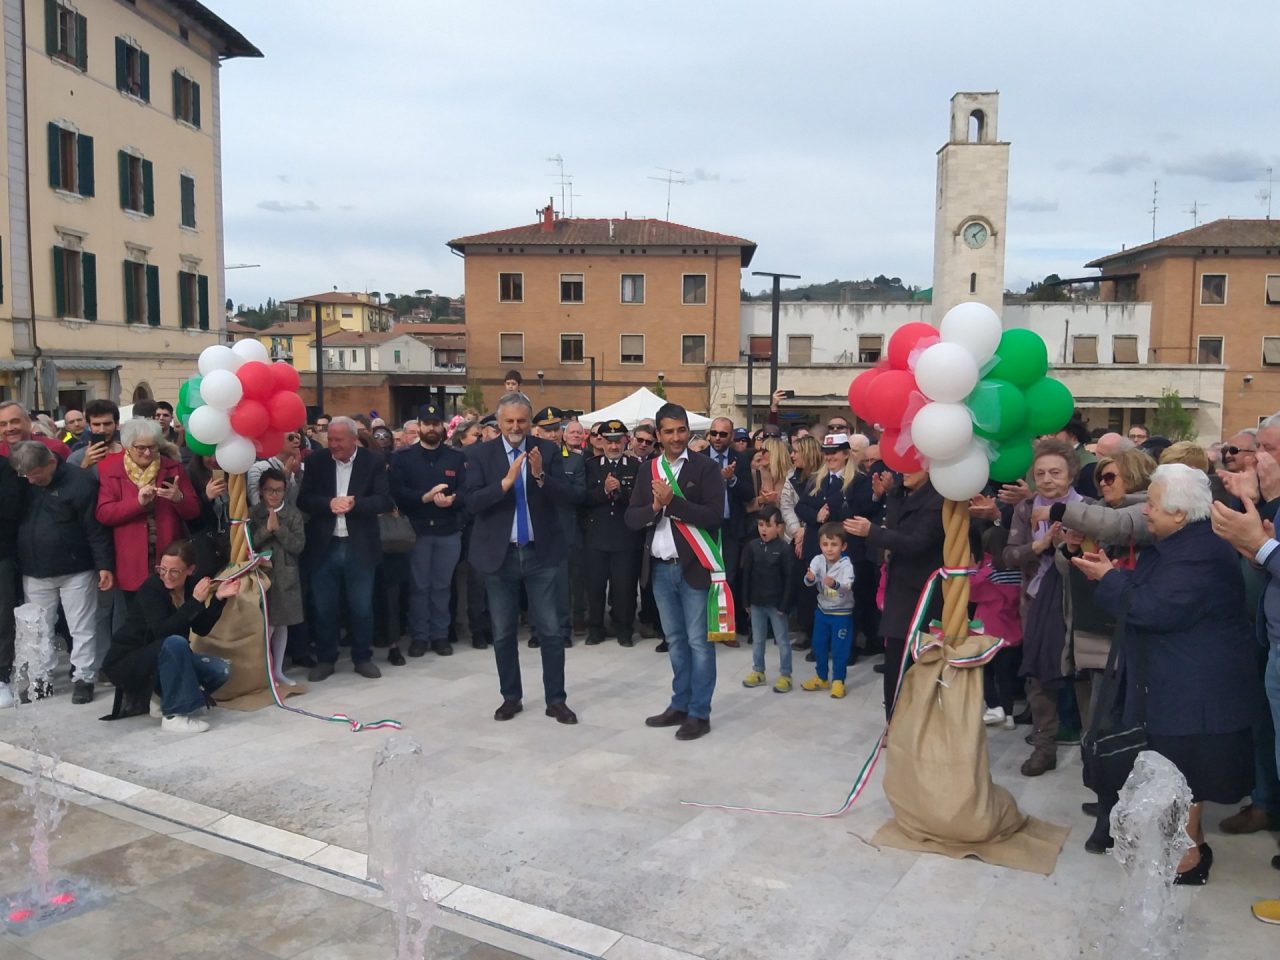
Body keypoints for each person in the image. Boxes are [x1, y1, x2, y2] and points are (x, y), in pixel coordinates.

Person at [1074, 464, 1257, 884]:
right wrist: (1115, 575)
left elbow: (1155, 609)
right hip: (1182, 682)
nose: (1146, 513)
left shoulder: (1200, 552)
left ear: (1178, 514)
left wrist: (1109, 580)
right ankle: (1187, 846)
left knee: (1185, 776)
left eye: (1153, 505)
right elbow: (1152, 589)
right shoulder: (1184, 543)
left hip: (1195, 689)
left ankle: (1188, 859)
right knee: (1178, 773)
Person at [464, 392, 577, 724]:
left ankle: (556, 700)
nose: (515, 426)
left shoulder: (549, 451)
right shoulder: (479, 454)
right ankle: (510, 697)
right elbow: (470, 501)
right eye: (509, 421)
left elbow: (570, 496)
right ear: (498, 423)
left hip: (541, 555)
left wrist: (541, 476)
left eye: (521, 421)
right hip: (499, 557)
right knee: (502, 633)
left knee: (552, 632)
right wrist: (504, 484)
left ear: (531, 423)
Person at [626, 402, 727, 741]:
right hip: (658, 568)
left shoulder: (706, 468)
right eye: (668, 431)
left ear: (689, 430)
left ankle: (700, 712)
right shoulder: (647, 470)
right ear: (658, 435)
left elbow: (714, 515)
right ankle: (680, 704)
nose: (676, 437)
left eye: (681, 430)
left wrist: (673, 503)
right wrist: (656, 507)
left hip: (694, 569)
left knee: (699, 643)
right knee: (676, 642)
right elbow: (632, 518)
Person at [10, 441, 114, 704]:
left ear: (51, 463)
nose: (32, 480)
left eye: (37, 474)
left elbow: (95, 528)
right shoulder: (23, 483)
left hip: (76, 568)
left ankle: (84, 677)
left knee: (82, 627)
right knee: (38, 629)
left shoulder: (80, 482)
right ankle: (40, 678)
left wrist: (104, 565)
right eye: (27, 476)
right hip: (34, 568)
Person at [1004, 438, 1083, 777]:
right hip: (1035, 600)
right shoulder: (1025, 509)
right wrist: (1039, 545)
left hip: (1079, 602)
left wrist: (1068, 545)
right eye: (1041, 473)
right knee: (1039, 677)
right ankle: (1044, 747)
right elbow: (1008, 555)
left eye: (1055, 472)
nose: (1048, 480)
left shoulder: (1088, 507)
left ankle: (1094, 752)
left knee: (1082, 675)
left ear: (1071, 474)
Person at [102, 540, 240, 732]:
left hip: (164, 658)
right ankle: (174, 714)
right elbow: (163, 632)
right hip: (130, 659)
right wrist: (195, 601)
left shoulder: (191, 585)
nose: (167, 576)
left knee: (220, 670)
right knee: (175, 642)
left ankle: (161, 697)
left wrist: (218, 599)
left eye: (174, 571)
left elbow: (202, 628)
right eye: (162, 569)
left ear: (190, 570)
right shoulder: (152, 587)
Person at [298, 415, 393, 680]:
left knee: (361, 606)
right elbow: (304, 499)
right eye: (329, 439)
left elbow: (384, 500)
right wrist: (329, 504)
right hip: (324, 546)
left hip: (359, 544)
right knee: (323, 606)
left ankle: (362, 657)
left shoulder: (373, 461)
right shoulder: (316, 461)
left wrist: (355, 505)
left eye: (339, 440)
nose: (333, 445)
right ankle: (326, 659)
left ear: (354, 439)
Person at [846, 468, 944, 719]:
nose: (904, 471)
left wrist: (873, 532)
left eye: (912, 465)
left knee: (922, 658)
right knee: (894, 659)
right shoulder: (898, 493)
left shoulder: (938, 499)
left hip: (925, 589)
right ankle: (894, 720)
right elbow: (894, 533)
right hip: (897, 585)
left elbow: (916, 543)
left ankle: (920, 722)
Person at [390, 403, 466, 658]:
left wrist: (453, 498)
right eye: (427, 424)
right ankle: (420, 636)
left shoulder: (456, 457)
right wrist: (425, 498)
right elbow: (397, 492)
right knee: (419, 587)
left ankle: (440, 635)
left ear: (442, 426)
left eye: (436, 424)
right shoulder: (402, 457)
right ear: (419, 426)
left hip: (448, 530)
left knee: (443, 586)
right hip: (417, 530)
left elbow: (467, 489)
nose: (432, 428)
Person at [794, 433, 875, 662]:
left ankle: (846, 648)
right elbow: (801, 507)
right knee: (818, 597)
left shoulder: (858, 480)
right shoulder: (816, 479)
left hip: (846, 550)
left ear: (846, 453)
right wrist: (817, 515)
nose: (830, 457)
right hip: (818, 548)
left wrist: (830, 512)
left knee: (846, 599)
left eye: (834, 452)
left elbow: (861, 509)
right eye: (827, 452)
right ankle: (820, 645)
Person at [96, 418, 199, 595]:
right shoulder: (112, 472)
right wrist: (137, 504)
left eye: (152, 447)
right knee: (135, 615)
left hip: (168, 557)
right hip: (131, 559)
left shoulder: (173, 468)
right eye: (141, 448)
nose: (147, 453)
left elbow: (194, 511)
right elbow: (104, 514)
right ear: (128, 446)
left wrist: (178, 498)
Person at [530, 406, 585, 649]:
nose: (552, 434)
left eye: (556, 429)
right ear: (536, 431)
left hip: (563, 528)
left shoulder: (574, 459)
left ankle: (563, 629)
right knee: (536, 584)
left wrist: (546, 479)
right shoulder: (527, 458)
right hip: (535, 528)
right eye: (547, 429)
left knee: (562, 584)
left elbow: (577, 494)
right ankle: (536, 629)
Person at [583, 419, 641, 647]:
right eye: (609, 441)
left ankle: (624, 629)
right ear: (601, 441)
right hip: (597, 537)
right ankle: (595, 629)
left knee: (624, 588)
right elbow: (583, 499)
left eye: (618, 441)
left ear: (626, 440)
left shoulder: (636, 466)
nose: (614, 447)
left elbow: (639, 500)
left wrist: (621, 491)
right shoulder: (591, 465)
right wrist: (604, 490)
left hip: (625, 538)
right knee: (595, 587)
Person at [249, 469, 305, 686]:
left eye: (279, 490)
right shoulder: (254, 513)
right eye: (269, 490)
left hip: (285, 576)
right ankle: (264, 671)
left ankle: (278, 669)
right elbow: (249, 542)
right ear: (261, 491)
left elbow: (298, 546)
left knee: (282, 624)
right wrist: (266, 529)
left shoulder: (293, 514)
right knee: (265, 625)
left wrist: (278, 529)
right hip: (261, 576)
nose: (274, 495)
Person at [703, 416, 755, 645]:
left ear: (731, 436)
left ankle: (725, 629)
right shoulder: (699, 458)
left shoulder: (740, 460)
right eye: (714, 433)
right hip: (704, 528)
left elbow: (749, 494)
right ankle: (702, 627)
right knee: (703, 577)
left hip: (731, 527)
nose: (717, 438)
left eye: (722, 434)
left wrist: (732, 479)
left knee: (728, 578)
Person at [797, 521, 855, 697]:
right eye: (825, 544)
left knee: (839, 648)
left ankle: (838, 680)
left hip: (841, 614)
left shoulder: (846, 565)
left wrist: (835, 584)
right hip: (822, 612)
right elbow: (809, 581)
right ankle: (821, 677)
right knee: (818, 645)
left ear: (843, 546)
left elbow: (847, 586)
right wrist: (809, 577)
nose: (829, 549)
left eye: (834, 545)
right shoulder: (817, 560)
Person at [741, 505, 795, 692]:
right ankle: (758, 671)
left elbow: (790, 578)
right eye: (760, 525)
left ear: (779, 527)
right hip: (756, 603)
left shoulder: (785, 549)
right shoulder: (752, 547)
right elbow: (746, 574)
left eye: (768, 525)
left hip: (776, 604)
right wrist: (745, 601)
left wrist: (785, 604)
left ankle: (786, 674)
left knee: (782, 639)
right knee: (758, 638)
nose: (763, 529)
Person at [781, 435, 822, 649]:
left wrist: (806, 532)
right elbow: (786, 506)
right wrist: (797, 532)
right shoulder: (792, 477)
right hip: (795, 537)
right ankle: (805, 630)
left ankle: (819, 632)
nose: (792, 455)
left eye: (796, 451)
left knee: (818, 587)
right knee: (801, 585)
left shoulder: (822, 477)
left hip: (818, 539)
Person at [0, 456, 23, 708]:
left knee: (1, 617)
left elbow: (11, 508)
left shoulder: (4, 467)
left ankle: (0, 676)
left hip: (1, 554)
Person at [0, 401, 71, 459]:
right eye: (3, 424)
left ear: (28, 422)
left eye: (15, 421)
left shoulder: (55, 448)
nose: (9, 428)